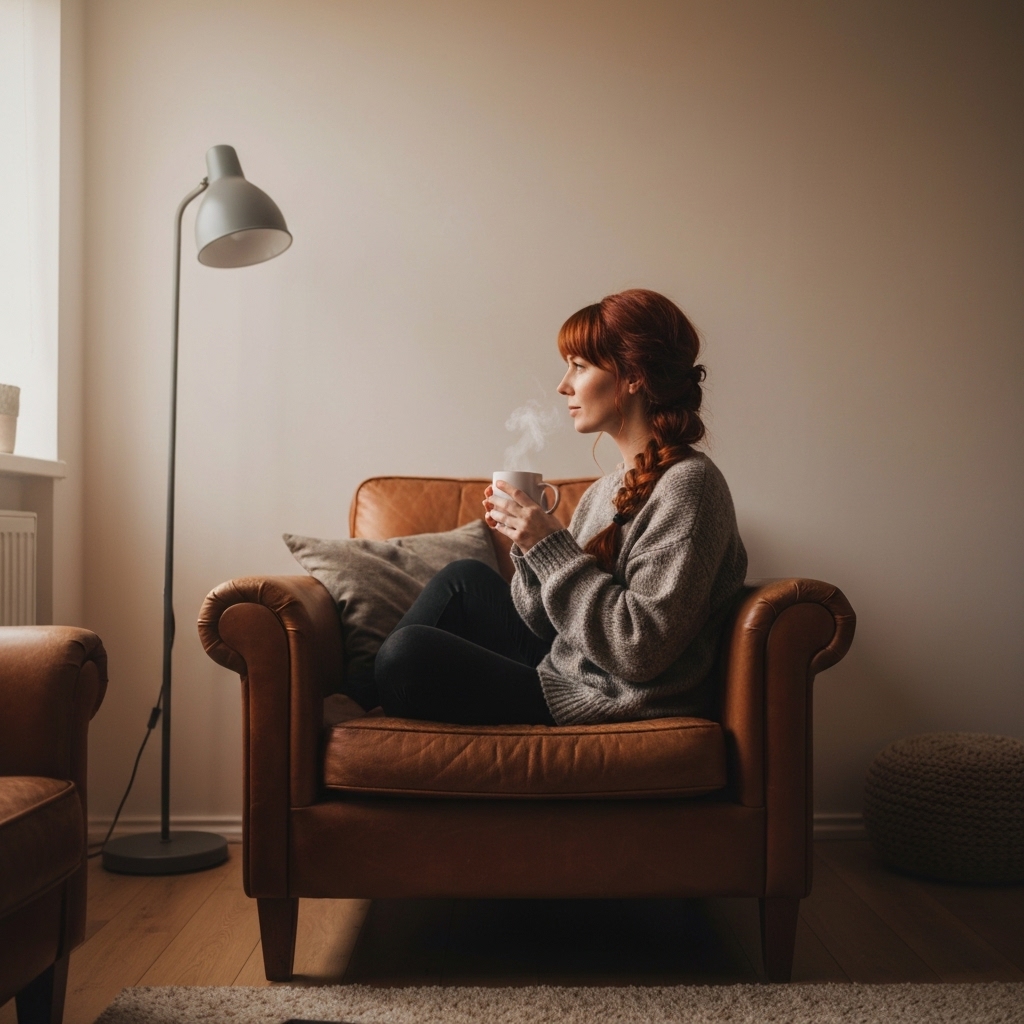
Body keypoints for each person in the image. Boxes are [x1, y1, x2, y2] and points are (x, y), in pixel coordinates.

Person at [373, 288, 747, 725]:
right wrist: (529, 546)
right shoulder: (605, 489)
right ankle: (357, 696)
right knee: (463, 579)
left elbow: (639, 649)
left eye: (579, 366)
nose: (563, 385)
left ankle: (361, 696)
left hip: (610, 697)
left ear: (633, 376)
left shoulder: (689, 487)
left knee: (407, 655)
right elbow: (545, 624)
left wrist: (550, 547)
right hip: (572, 666)